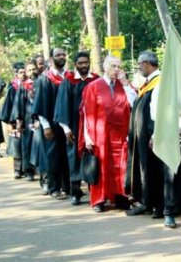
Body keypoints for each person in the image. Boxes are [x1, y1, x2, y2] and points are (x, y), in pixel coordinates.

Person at [80, 55, 136, 213]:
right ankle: (99, 199)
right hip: (100, 133)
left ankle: (120, 196)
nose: (117, 70)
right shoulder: (94, 86)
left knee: (121, 165)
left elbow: (133, 104)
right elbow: (86, 112)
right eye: (113, 66)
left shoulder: (123, 85)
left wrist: (125, 84)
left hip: (120, 132)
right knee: (102, 165)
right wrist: (87, 136)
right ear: (105, 67)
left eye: (119, 67)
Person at [125, 51, 169, 219]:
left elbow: (158, 111)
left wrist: (154, 133)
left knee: (154, 169)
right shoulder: (148, 84)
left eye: (139, 64)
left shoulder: (159, 83)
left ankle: (157, 205)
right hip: (143, 136)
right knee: (146, 168)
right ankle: (147, 202)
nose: (138, 68)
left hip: (152, 134)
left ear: (147, 64)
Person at [54, 52, 99, 206]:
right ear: (75, 64)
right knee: (74, 158)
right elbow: (62, 106)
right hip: (74, 126)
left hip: (93, 126)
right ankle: (75, 191)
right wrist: (66, 129)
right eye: (80, 63)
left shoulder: (97, 80)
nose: (84, 65)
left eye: (86, 62)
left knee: (93, 157)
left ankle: (95, 191)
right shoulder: (69, 82)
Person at [32, 48, 70, 199]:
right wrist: (46, 126)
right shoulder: (45, 79)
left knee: (67, 155)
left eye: (63, 54)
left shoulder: (69, 77)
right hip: (52, 124)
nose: (61, 57)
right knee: (52, 156)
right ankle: (54, 188)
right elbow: (40, 104)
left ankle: (68, 187)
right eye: (58, 55)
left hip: (67, 123)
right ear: (51, 59)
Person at [11, 60, 39, 181]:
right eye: (29, 70)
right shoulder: (23, 85)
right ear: (26, 72)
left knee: (38, 145)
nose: (32, 72)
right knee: (27, 145)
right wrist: (18, 120)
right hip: (27, 119)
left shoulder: (42, 82)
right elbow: (18, 104)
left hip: (39, 119)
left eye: (34, 69)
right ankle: (28, 171)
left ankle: (38, 169)